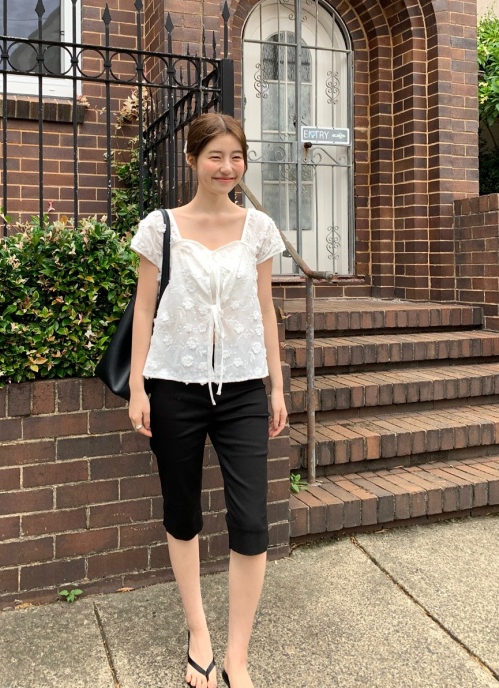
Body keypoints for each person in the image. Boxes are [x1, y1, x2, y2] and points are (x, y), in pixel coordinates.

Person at [128, 113, 288, 688]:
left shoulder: (259, 229)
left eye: (236, 156)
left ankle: (237, 656)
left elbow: (265, 309)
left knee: (251, 520)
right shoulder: (160, 228)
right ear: (192, 159)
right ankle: (199, 632)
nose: (227, 167)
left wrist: (276, 384)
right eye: (215, 156)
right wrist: (139, 387)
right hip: (175, 387)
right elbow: (144, 309)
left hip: (243, 389)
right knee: (183, 512)